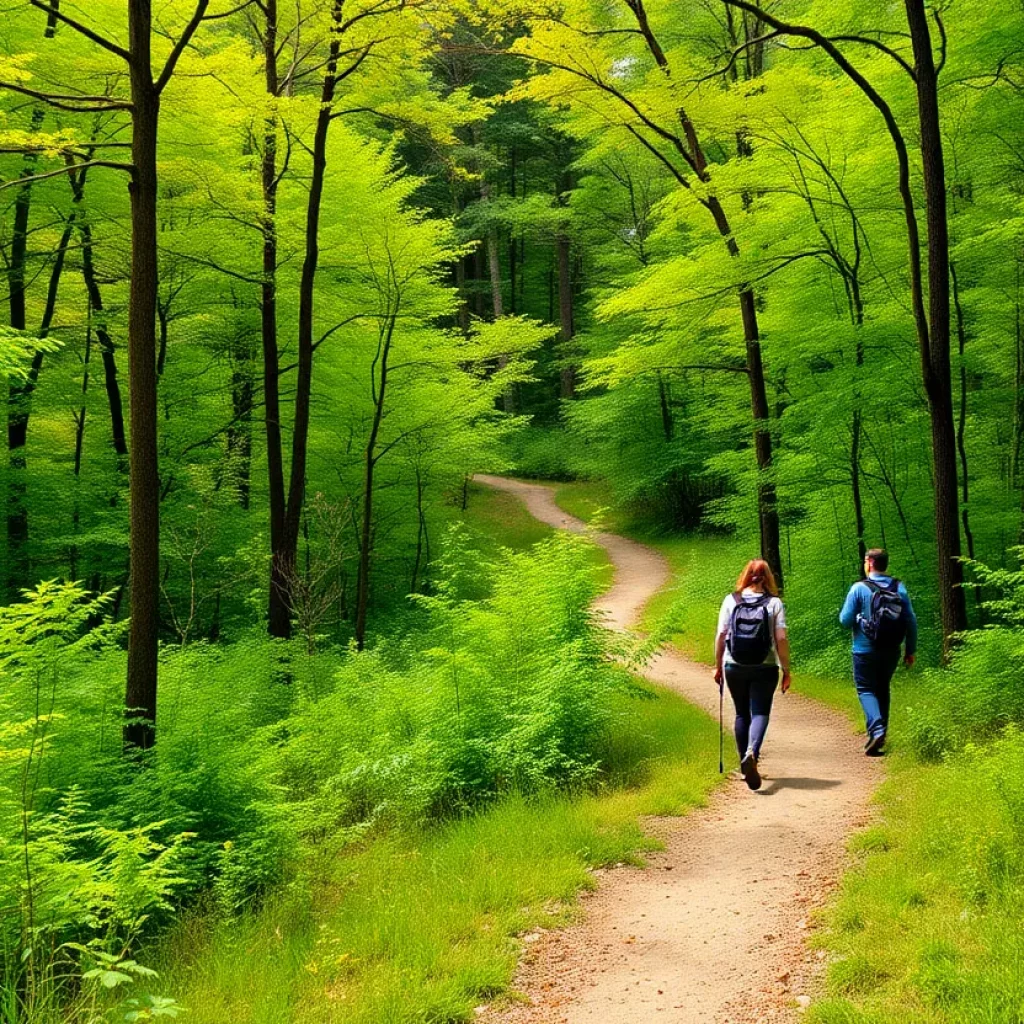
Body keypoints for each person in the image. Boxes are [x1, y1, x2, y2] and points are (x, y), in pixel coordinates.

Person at [714, 559, 791, 791]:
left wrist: (718, 665)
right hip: (765, 666)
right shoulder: (774, 603)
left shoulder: (731, 600)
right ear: (768, 578)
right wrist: (786, 669)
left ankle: (743, 764)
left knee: (741, 713)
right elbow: (781, 639)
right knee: (760, 711)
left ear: (745, 575)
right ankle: (752, 754)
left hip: (734, 664)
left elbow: (721, 635)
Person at [839, 548, 918, 755]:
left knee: (865, 689)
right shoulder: (899, 588)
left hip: (864, 650)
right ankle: (879, 739)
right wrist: (910, 650)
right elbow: (911, 621)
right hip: (891, 650)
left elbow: (844, 620)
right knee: (882, 689)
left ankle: (877, 730)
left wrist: (858, 617)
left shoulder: (859, 588)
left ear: (870, 563)